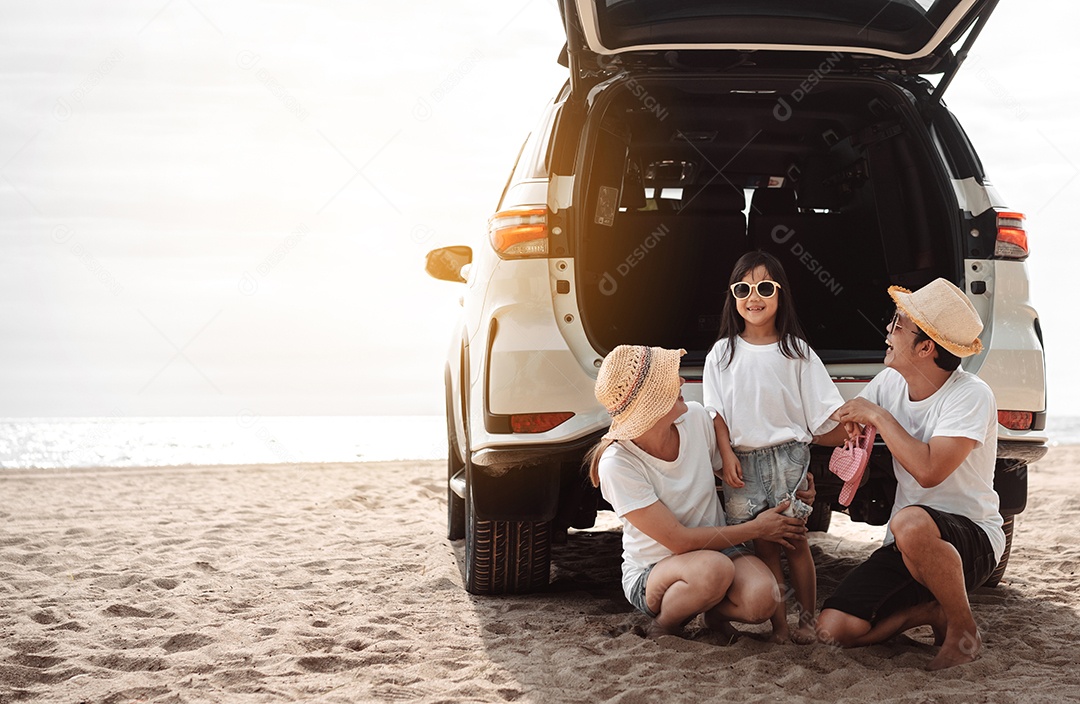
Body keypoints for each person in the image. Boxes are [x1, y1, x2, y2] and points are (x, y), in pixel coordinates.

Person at [816, 278, 1003, 671]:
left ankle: (962, 628)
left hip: (971, 540)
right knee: (832, 629)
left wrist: (879, 416)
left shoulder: (971, 394)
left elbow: (930, 471)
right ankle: (931, 613)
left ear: (925, 347)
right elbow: (837, 428)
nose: (888, 330)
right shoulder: (890, 382)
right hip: (906, 543)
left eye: (898, 324)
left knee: (911, 521)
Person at [587, 344, 812, 639]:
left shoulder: (694, 419)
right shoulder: (618, 464)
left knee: (763, 599)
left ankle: (714, 617)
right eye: (669, 380)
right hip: (655, 570)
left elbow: (737, 474)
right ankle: (664, 624)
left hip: (718, 552)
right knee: (713, 569)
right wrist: (757, 529)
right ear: (649, 401)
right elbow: (678, 541)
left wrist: (794, 485)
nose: (681, 381)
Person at [703, 250, 847, 644]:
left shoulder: (797, 351)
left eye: (765, 287)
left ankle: (808, 621)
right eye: (743, 288)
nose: (754, 296)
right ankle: (781, 629)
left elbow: (822, 416)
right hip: (742, 463)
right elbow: (715, 413)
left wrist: (857, 428)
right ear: (732, 296)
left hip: (789, 459)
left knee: (795, 540)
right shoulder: (722, 352)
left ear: (780, 295)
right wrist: (726, 454)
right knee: (765, 546)